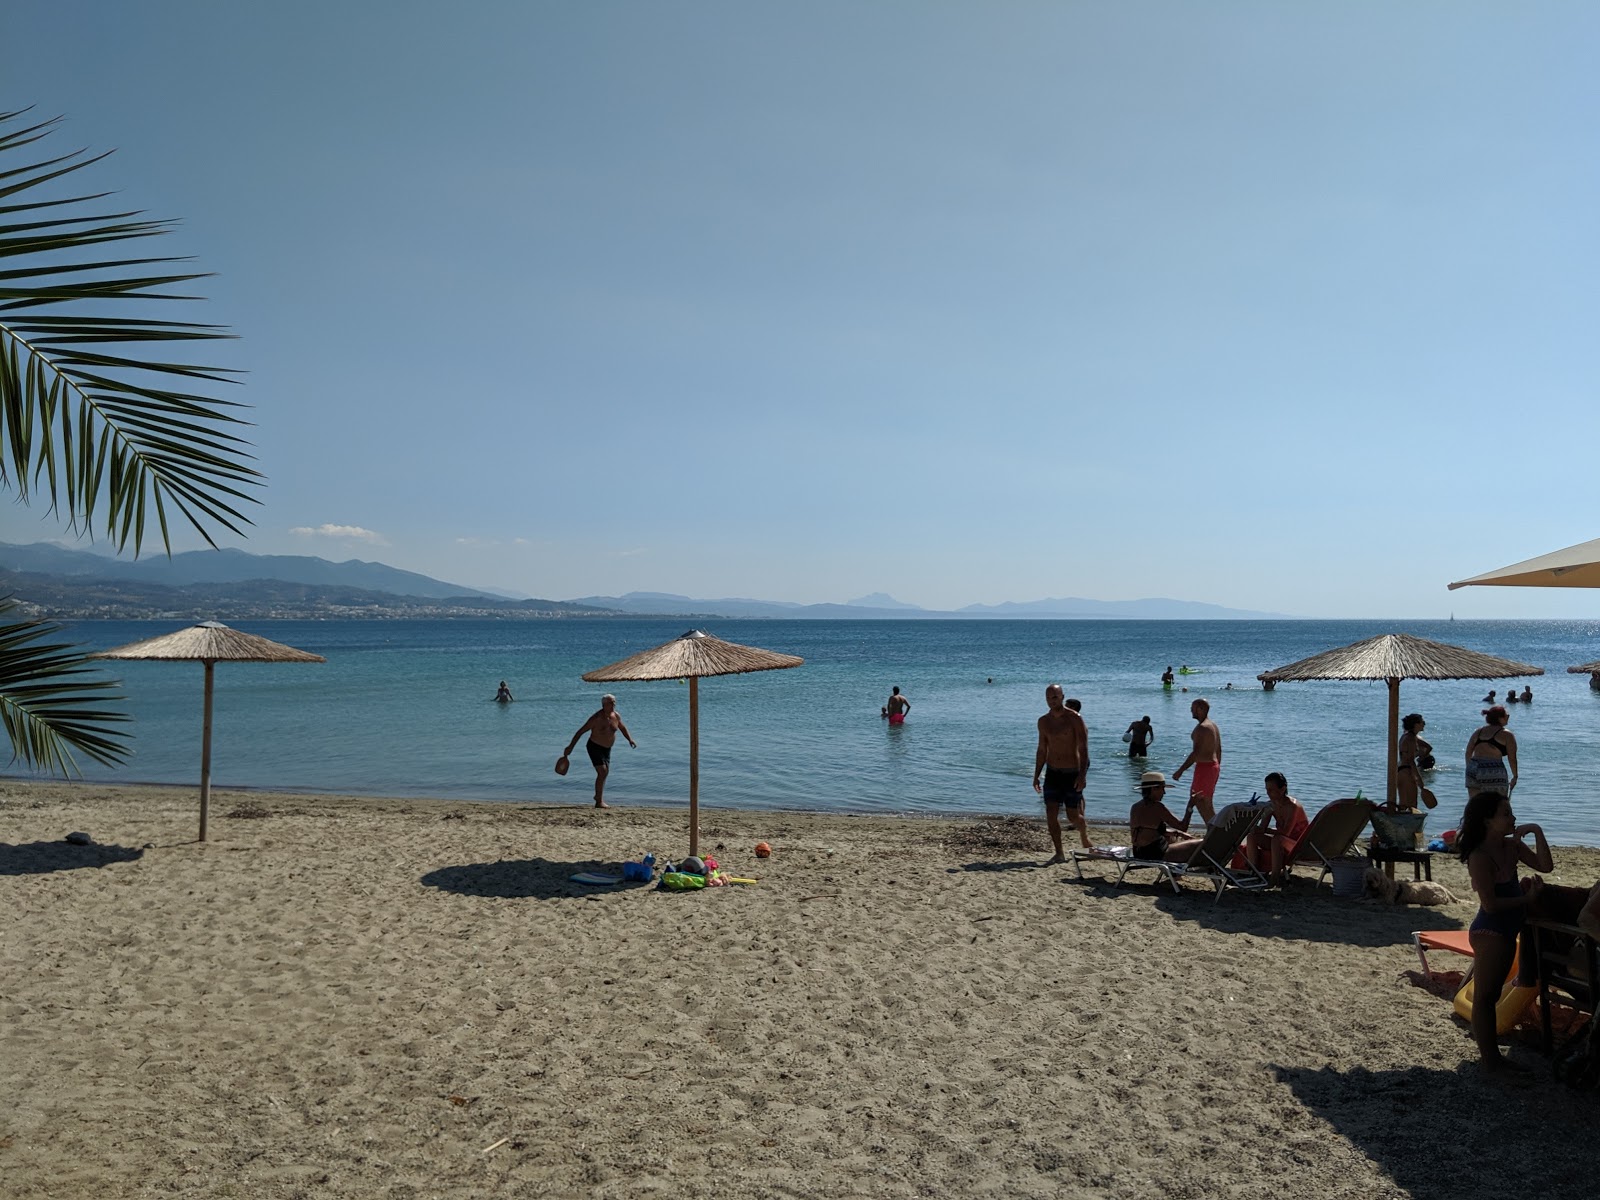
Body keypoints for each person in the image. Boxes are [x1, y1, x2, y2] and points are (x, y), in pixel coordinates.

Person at [1456, 791, 1551, 1077]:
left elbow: (1546, 866)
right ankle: (1490, 1061)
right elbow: (1490, 904)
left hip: (1508, 928)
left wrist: (1536, 830)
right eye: (1506, 814)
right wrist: (1528, 899)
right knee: (1485, 997)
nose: (1513, 818)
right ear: (1487, 821)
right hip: (1491, 930)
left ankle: (1493, 1059)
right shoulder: (1480, 856)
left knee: (1492, 994)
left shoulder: (1512, 847)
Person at [1033, 683, 1090, 863]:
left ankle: (1083, 833)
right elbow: (1042, 750)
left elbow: (1083, 747)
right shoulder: (1043, 721)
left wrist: (1082, 775)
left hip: (1071, 772)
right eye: (1049, 698)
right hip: (1052, 773)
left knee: (1073, 816)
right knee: (1051, 812)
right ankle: (1059, 852)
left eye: (1055, 697)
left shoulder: (1074, 718)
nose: (1052, 701)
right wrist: (1036, 775)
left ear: (1062, 697)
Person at [563, 694, 636, 809]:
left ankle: (598, 797)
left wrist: (630, 739)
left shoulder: (616, 715)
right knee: (602, 772)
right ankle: (599, 801)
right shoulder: (596, 718)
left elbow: (622, 727)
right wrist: (570, 747)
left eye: (614, 702)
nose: (614, 705)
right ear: (604, 705)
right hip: (594, 746)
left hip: (607, 749)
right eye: (611, 703)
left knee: (605, 773)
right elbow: (580, 732)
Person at [1244, 772, 1309, 885]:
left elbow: (1286, 832)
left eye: (1271, 790)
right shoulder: (1271, 805)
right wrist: (1253, 824)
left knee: (1277, 839)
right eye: (1267, 790)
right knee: (1252, 836)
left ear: (1282, 789)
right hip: (1282, 841)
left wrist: (1266, 830)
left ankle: (1275, 877)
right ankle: (1254, 871)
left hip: (1297, 844)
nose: (1268, 793)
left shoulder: (1293, 806)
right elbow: (1263, 827)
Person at [1128, 771, 1202, 862]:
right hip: (1155, 854)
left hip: (1138, 852)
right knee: (1201, 843)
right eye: (1162, 789)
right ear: (1154, 789)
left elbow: (1149, 829)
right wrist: (1190, 806)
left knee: (1170, 838)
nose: (1164, 793)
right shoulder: (1157, 807)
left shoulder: (1135, 807)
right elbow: (1183, 827)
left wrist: (1179, 834)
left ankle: (1175, 876)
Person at [1172, 698, 1221, 825]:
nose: (1190, 710)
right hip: (1212, 766)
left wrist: (1180, 770)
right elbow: (1219, 749)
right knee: (1206, 803)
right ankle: (1216, 830)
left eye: (1193, 708)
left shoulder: (1202, 728)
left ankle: (1215, 831)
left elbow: (1196, 753)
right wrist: (1217, 769)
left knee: (1199, 801)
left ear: (1201, 709)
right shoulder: (1213, 725)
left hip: (1205, 767)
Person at [1465, 705, 1517, 800]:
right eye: (1506, 715)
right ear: (1500, 718)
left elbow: (1468, 753)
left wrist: (1470, 767)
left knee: (1474, 805)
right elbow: (1512, 758)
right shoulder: (1507, 735)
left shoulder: (1478, 732)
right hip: (1493, 770)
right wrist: (1515, 776)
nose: (1508, 718)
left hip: (1473, 768)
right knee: (1497, 805)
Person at [1396, 713, 1434, 810]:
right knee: (1412, 804)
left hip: (1400, 770)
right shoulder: (1411, 738)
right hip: (1407, 771)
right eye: (1422, 722)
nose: (1424, 724)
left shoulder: (1406, 736)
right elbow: (1410, 761)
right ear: (1416, 724)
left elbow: (1407, 756)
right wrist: (1419, 780)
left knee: (1403, 803)